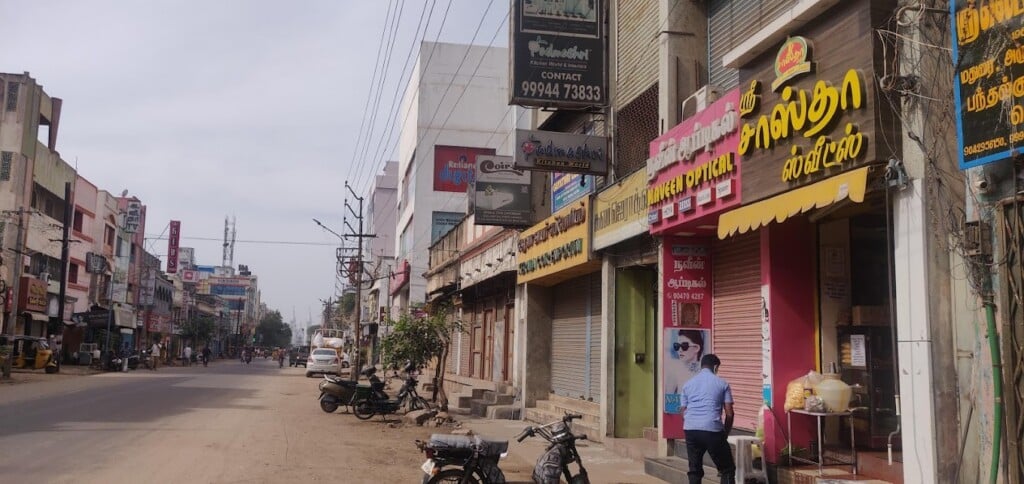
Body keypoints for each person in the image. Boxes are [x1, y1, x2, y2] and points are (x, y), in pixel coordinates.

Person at [679, 354, 735, 484]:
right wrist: (724, 433)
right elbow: (730, 413)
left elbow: (683, 410)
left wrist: (691, 422)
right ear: (715, 367)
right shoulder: (722, 384)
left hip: (691, 430)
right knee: (727, 468)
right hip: (712, 429)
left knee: (694, 469)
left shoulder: (688, 384)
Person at [667, 329, 705, 395]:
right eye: (677, 346)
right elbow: (669, 401)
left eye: (684, 346)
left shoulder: (704, 372)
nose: (679, 350)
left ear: (696, 348)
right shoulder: (675, 372)